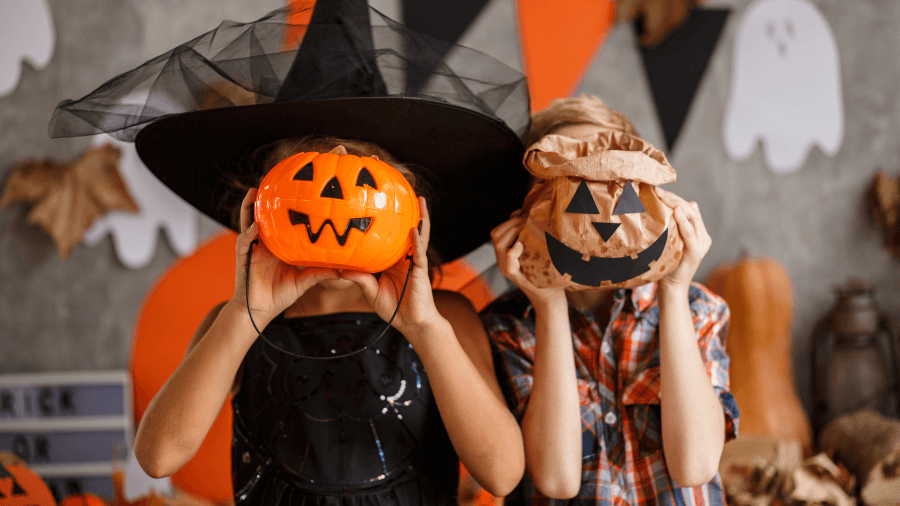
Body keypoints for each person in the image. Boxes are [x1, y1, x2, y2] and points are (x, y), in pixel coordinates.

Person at [48, 1, 532, 503]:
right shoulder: (235, 325)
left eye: (366, 176)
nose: (337, 200)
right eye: (307, 174)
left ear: (411, 208)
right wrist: (244, 314)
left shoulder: (446, 320)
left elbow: (501, 473)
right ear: (262, 207)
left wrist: (425, 329)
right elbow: (159, 456)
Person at [482, 96, 739, 505]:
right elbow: (557, 478)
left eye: (617, 189)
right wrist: (548, 305)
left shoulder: (698, 309)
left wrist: (672, 289)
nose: (600, 219)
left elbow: (695, 464)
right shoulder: (507, 325)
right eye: (574, 191)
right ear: (527, 208)